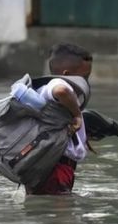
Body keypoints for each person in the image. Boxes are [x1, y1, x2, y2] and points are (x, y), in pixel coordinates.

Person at [25, 43, 93, 195]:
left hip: (45, 164)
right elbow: (61, 91)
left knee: (43, 210)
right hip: (56, 167)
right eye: (85, 77)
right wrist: (76, 115)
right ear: (67, 73)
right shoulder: (59, 83)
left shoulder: (44, 90)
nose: (86, 82)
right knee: (61, 215)